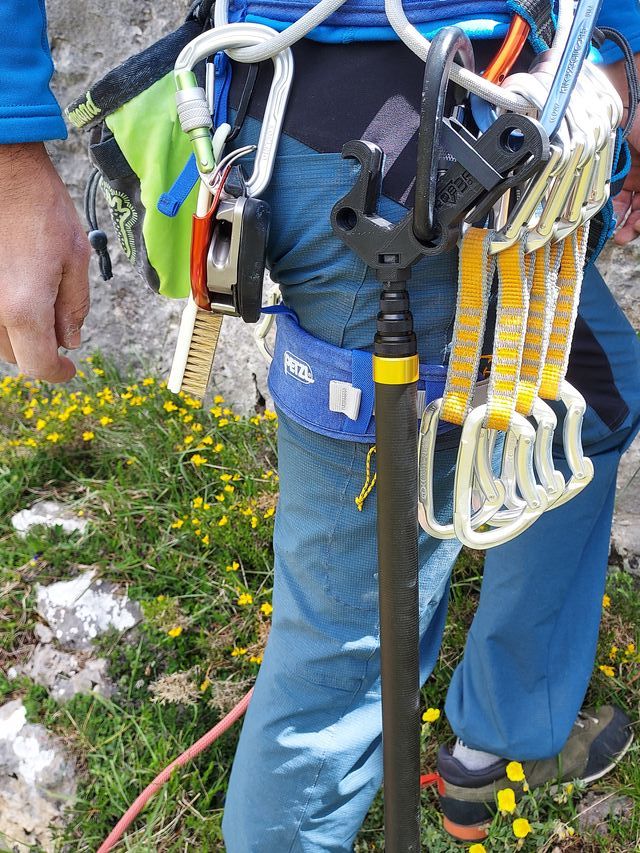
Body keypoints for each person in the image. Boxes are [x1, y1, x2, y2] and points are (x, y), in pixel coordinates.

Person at [1, 2, 639, 850]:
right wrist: (11, 158)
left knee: (598, 399)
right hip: (396, 139)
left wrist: (615, 57)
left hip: (527, 114)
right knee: (350, 647)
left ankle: (504, 736)